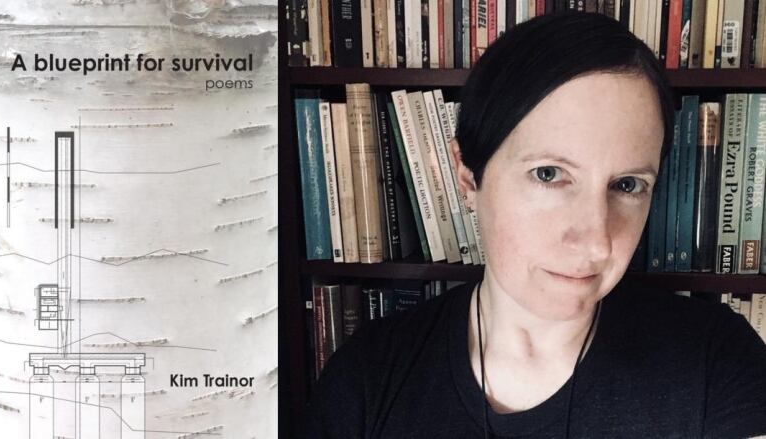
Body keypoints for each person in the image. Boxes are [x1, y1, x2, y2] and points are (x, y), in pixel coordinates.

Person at [302, 12, 766, 438]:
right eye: (548, 174)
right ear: (469, 177)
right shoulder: (369, 376)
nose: (596, 240)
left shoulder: (714, 362)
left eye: (627, 184)